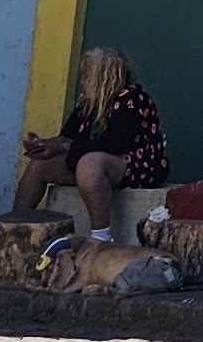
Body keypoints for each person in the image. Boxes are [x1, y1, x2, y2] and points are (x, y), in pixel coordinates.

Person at [16, 46, 169, 243]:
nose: (82, 82)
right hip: (98, 167)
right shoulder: (88, 103)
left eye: (87, 76)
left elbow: (114, 145)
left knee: (89, 163)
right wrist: (44, 144)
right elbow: (67, 137)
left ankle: (101, 237)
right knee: (39, 166)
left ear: (105, 78)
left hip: (140, 167)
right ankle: (13, 228)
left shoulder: (132, 99)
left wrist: (62, 148)